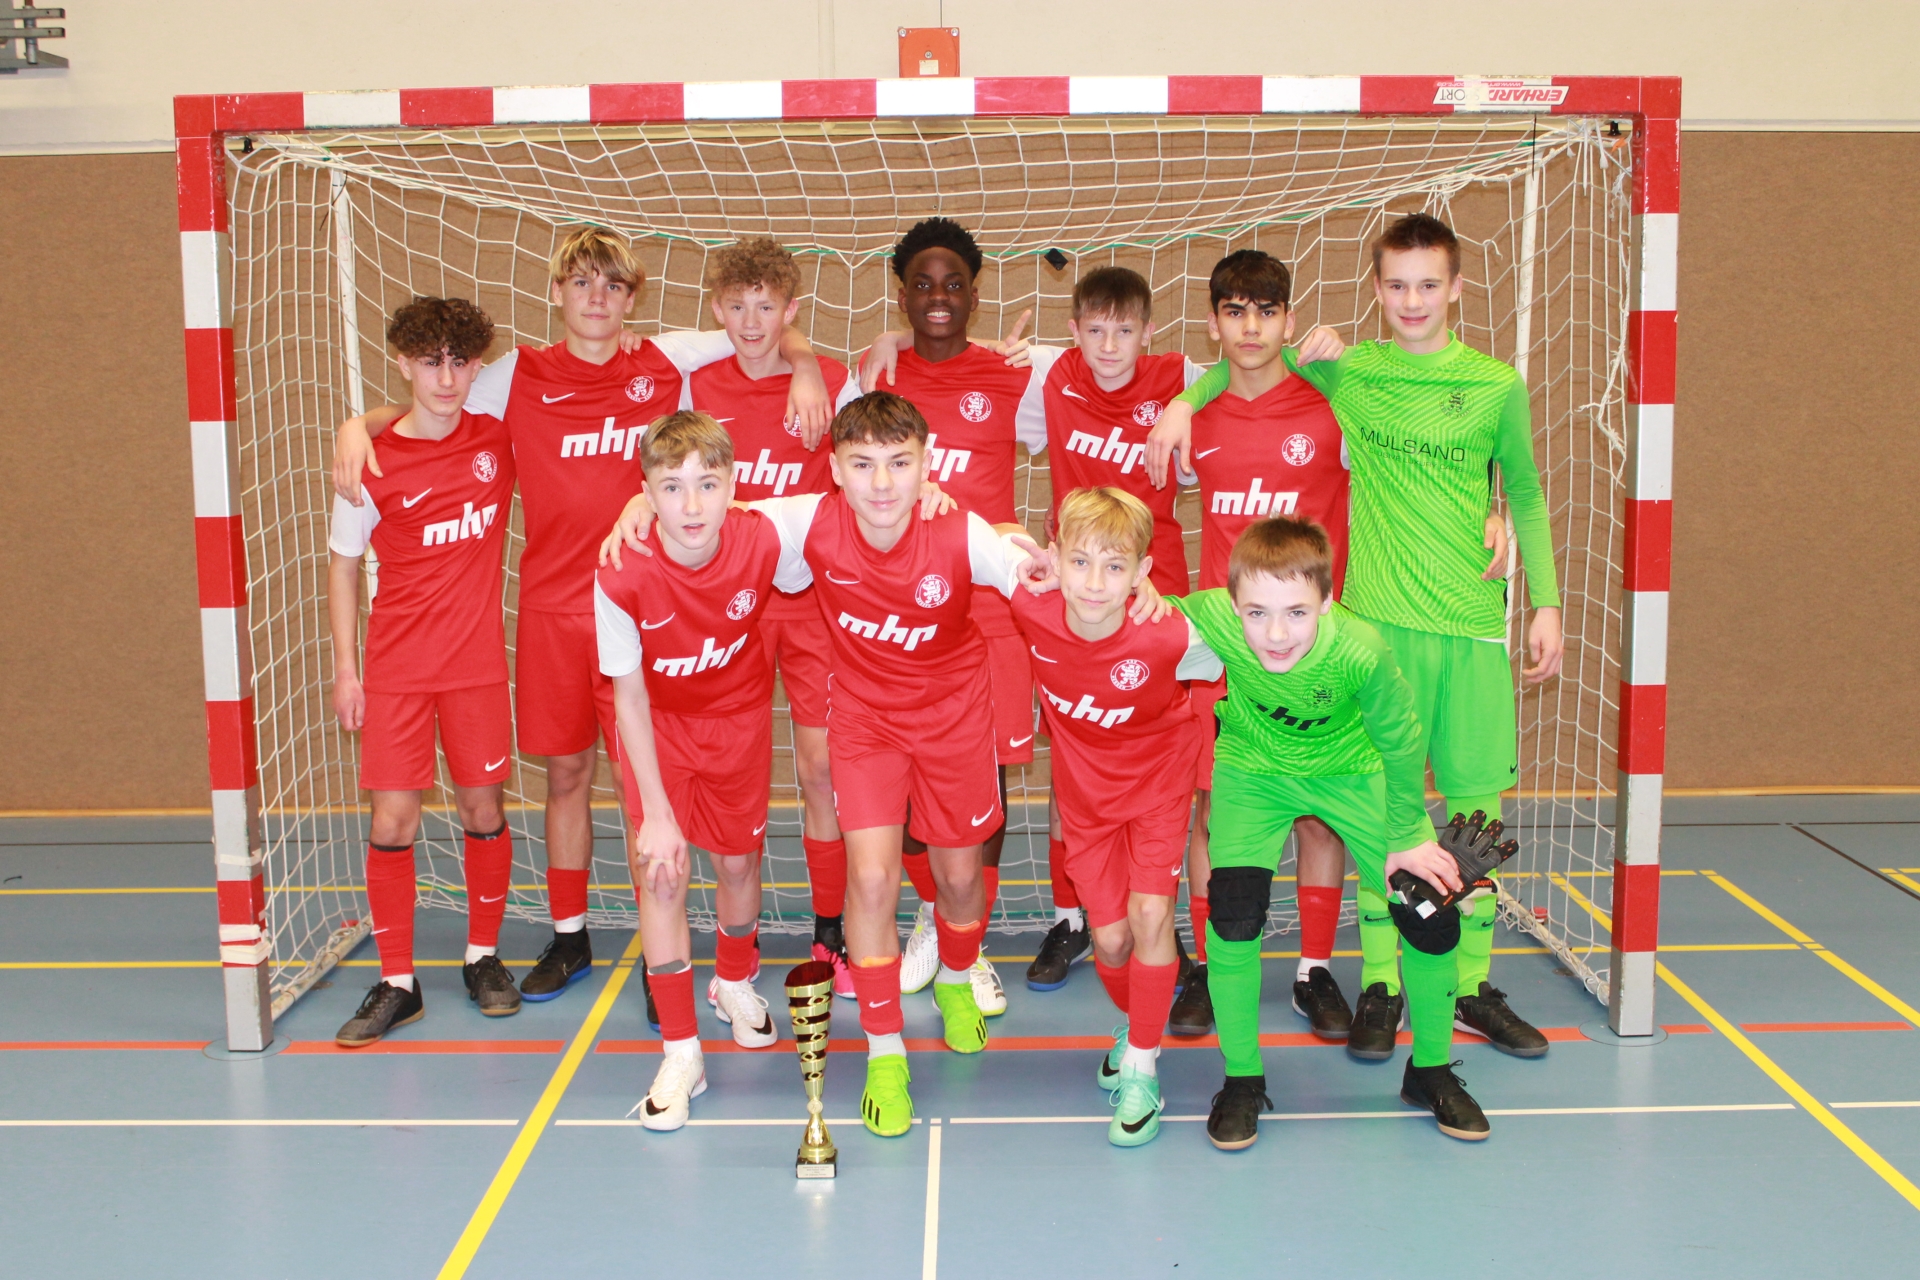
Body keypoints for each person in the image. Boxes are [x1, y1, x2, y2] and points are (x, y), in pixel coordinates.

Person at [609, 392, 1156, 1137]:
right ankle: (886, 1052)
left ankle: (957, 974)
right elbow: (703, 508)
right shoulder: (804, 523)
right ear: (834, 469)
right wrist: (632, 508)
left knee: (958, 879)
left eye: (900, 464)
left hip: (954, 718)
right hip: (865, 722)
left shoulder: (959, 532)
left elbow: (1055, 580)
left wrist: (1138, 591)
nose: (882, 483)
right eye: (862, 465)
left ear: (927, 465)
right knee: (870, 878)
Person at [331, 226, 832, 1005]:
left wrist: (804, 366)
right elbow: (432, 401)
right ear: (556, 292)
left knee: (640, 783)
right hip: (552, 613)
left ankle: (663, 950)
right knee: (565, 774)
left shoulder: (666, 360)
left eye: (613, 285)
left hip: (641, 609)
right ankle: (570, 936)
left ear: (632, 298)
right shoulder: (516, 374)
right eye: (581, 283)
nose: (597, 298)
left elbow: (762, 329)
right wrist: (356, 425)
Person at [1156, 213, 1561, 1059]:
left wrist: (1544, 601)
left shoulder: (1494, 385)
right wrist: (1182, 402)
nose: (1412, 300)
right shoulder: (1351, 372)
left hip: (1470, 630)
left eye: (1428, 284)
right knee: (1385, 815)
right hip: (1375, 632)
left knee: (1474, 820)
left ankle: (1469, 987)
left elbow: (1522, 490)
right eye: (1397, 284)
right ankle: (1381, 984)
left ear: (1456, 288)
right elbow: (1245, 358)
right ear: (1375, 290)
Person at [1172, 515, 1491, 1147]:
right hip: (1253, 771)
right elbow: (1126, 611)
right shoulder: (1208, 617)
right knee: (1232, 915)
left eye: (1296, 612)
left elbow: (1403, 741)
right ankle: (1242, 1078)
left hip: (1351, 772)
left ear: (1325, 601)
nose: (1276, 634)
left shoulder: (1359, 650)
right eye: (1256, 613)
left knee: (1428, 910)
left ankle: (1429, 1071)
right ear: (1231, 604)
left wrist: (1407, 834)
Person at [595, 411, 822, 1129]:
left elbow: (863, 495)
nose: (691, 505)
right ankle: (681, 1050)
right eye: (671, 487)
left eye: (707, 484)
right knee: (661, 870)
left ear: (734, 486)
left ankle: (732, 980)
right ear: (645, 494)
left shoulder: (765, 535)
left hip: (739, 720)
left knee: (737, 862)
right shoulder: (619, 573)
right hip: (656, 728)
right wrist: (657, 814)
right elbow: (628, 697)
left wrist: (936, 495)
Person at [859, 217, 1060, 1009]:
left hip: (992, 611)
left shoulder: (1015, 377)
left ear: (975, 295)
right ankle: (932, 915)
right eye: (921, 284)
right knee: (913, 780)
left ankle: (963, 943)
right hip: (904, 614)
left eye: (953, 284)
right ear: (901, 294)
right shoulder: (874, 382)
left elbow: (1106, 366)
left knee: (991, 780)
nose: (937, 297)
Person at [325, 297, 519, 1047]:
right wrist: (347, 671)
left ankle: (482, 957)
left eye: (459, 362)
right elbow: (344, 567)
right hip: (397, 668)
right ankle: (399, 983)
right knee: (393, 820)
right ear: (404, 362)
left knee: (482, 809)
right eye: (430, 361)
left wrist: (358, 417)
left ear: (476, 366)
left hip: (475, 666)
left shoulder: (496, 436)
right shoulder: (370, 463)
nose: (446, 378)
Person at [1020, 265, 1210, 992]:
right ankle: (1072, 918)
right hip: (1075, 592)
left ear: (1148, 332)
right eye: (1094, 330)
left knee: (1167, 755)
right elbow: (958, 357)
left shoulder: (1177, 375)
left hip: (1154, 595)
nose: (1108, 345)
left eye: (1124, 330)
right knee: (1074, 752)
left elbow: (1253, 360)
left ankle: (1163, 924)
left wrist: (1187, 402)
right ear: (1073, 331)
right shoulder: (1054, 373)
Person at [1008, 487, 1214, 1146]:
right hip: (1087, 803)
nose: (1095, 583)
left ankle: (1143, 1067)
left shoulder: (1171, 633)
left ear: (1142, 572)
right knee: (1113, 942)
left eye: (1116, 567)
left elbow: (1250, 649)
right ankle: (1136, 1025)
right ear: (1056, 558)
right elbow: (984, 534)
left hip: (1159, 787)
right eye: (1080, 562)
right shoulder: (1030, 605)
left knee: (1151, 916)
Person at [688, 237, 863, 999]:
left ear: (791, 310)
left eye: (767, 307)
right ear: (718, 310)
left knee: (821, 769)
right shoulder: (696, 384)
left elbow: (872, 472)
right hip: (731, 609)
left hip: (816, 606)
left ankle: (831, 931)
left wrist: (807, 363)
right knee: (738, 773)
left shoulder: (835, 384)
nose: (752, 322)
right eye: (738, 306)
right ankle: (739, 936)